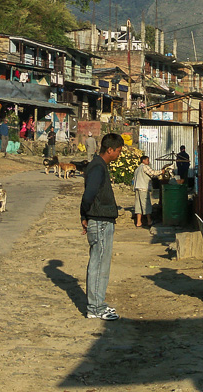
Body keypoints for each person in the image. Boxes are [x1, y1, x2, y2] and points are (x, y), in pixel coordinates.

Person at [80, 132, 125, 320]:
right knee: (99, 265)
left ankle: (97, 304)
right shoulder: (97, 168)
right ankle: (96, 308)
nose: (119, 155)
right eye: (118, 151)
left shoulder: (98, 166)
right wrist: (85, 215)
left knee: (100, 263)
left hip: (99, 220)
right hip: (99, 221)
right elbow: (88, 194)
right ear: (110, 150)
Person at [132, 155, 164, 228]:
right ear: (144, 161)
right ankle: (149, 221)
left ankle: (138, 222)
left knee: (138, 206)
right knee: (146, 205)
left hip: (137, 188)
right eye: (147, 160)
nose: (148, 162)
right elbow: (152, 173)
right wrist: (161, 172)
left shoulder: (137, 169)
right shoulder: (144, 167)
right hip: (143, 188)